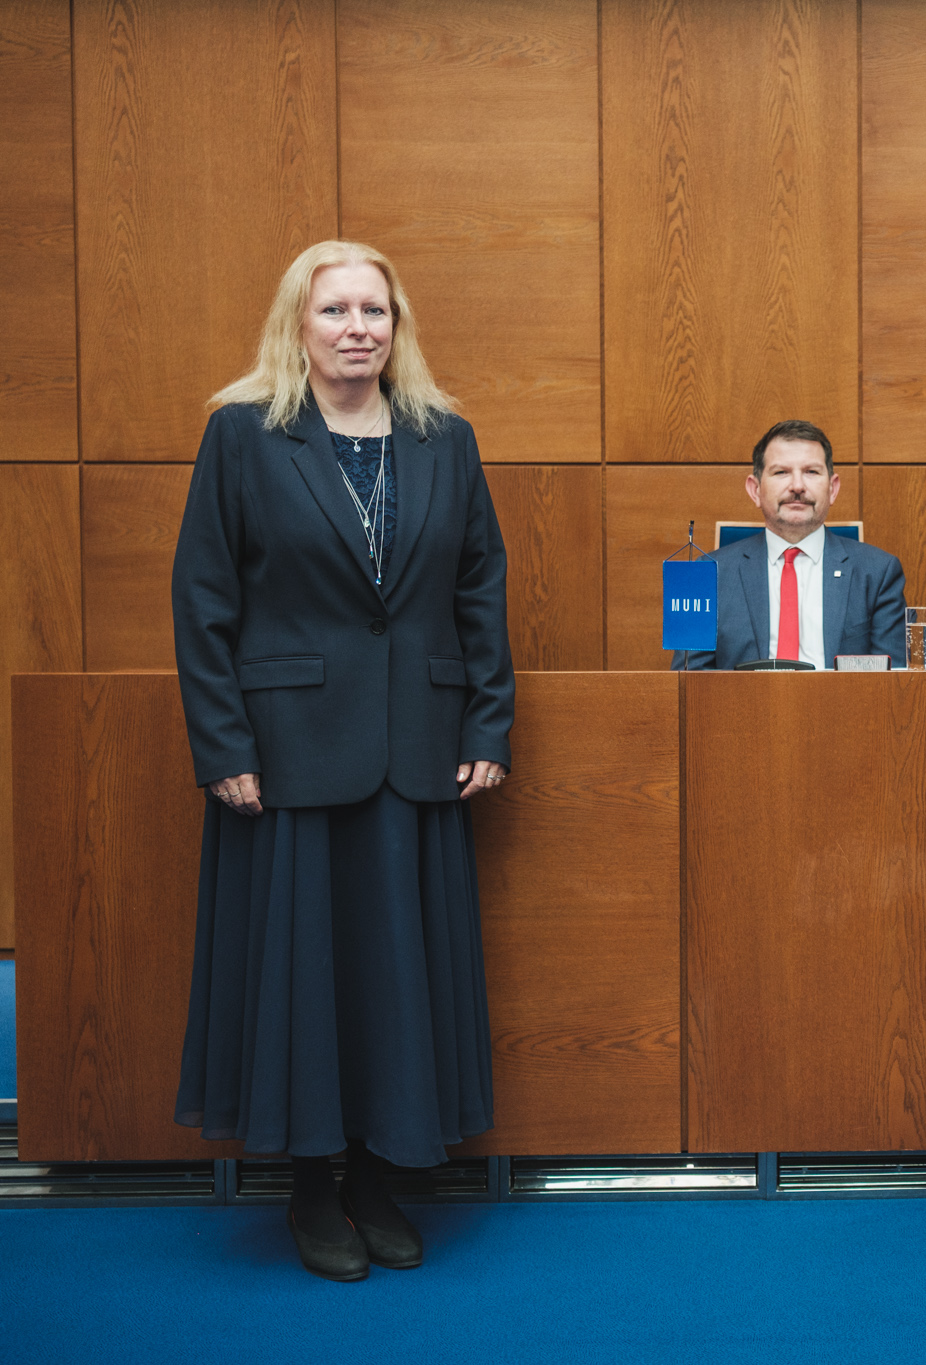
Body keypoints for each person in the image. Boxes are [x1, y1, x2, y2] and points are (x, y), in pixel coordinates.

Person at [171, 240, 514, 1282]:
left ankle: (377, 1176)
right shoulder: (242, 436)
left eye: (376, 310)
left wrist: (486, 727)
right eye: (336, 311)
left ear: (396, 327)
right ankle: (311, 1185)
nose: (358, 327)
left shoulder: (443, 439)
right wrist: (223, 744)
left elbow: (479, 589)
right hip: (287, 759)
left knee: (395, 976)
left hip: (417, 753)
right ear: (299, 326)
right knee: (305, 978)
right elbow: (204, 601)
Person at [672, 420, 907, 670]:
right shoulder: (705, 574)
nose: (797, 486)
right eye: (781, 472)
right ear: (755, 490)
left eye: (812, 472)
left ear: (833, 489)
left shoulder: (879, 572)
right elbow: (689, 682)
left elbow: (890, 685)